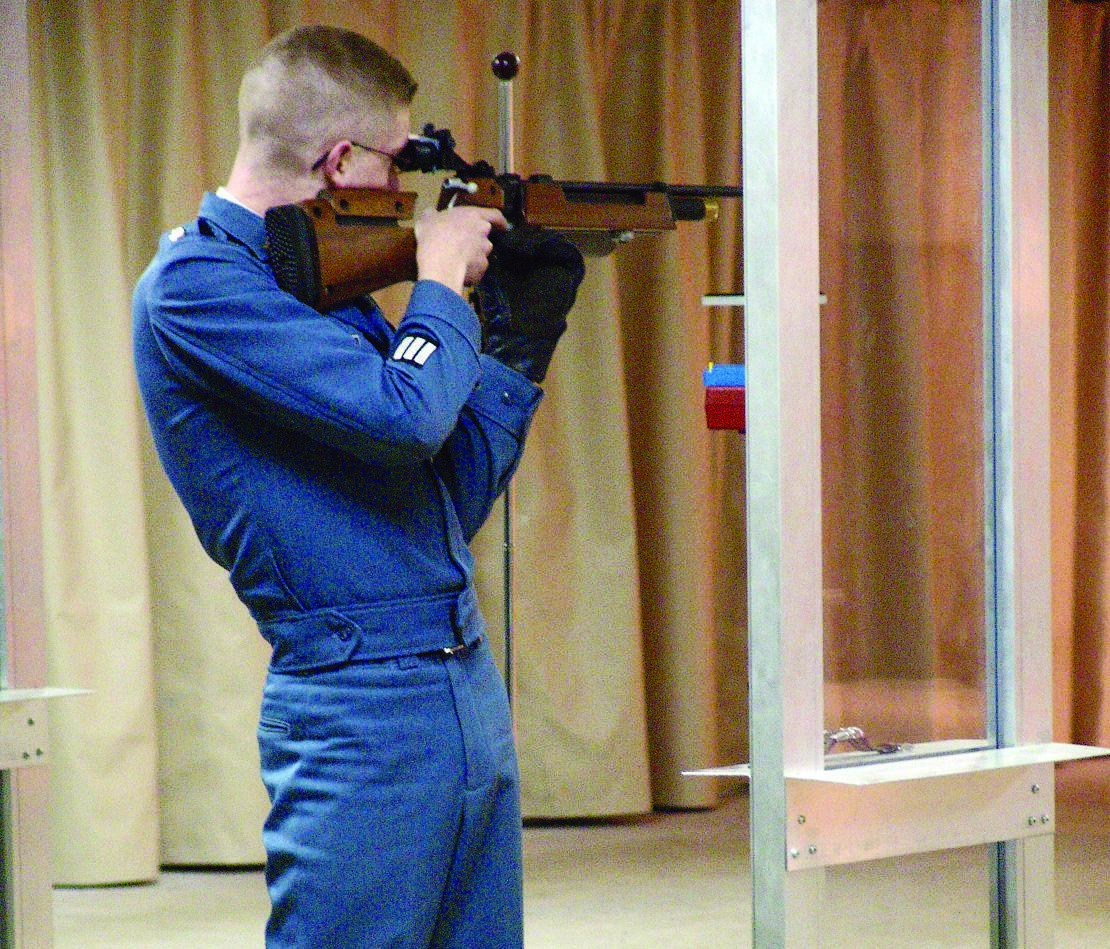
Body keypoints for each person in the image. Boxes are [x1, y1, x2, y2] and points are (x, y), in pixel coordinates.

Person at [132, 25, 584, 948]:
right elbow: (405, 414)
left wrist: (514, 349)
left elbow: (443, 501)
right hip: (357, 697)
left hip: (459, 672)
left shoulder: (326, 285)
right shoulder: (195, 286)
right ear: (341, 162)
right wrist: (440, 280)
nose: (402, 190)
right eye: (396, 162)